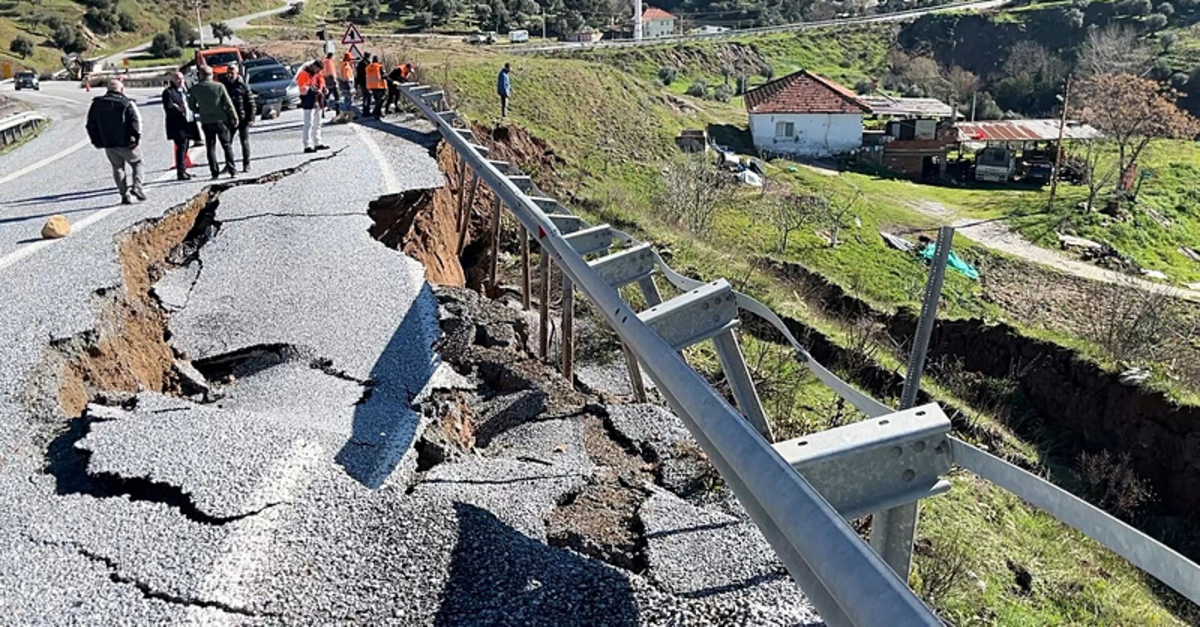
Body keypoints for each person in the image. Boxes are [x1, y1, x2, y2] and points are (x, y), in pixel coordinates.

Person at [86, 79, 145, 205]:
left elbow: (91, 125)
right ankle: (137, 187)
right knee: (138, 163)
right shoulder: (126, 103)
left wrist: (96, 141)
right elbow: (136, 121)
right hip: (127, 143)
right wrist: (136, 138)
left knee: (117, 167)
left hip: (108, 143)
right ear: (121, 90)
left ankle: (124, 195)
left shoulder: (97, 104)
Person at [186, 65, 239, 180]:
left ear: (200, 75)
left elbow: (191, 105)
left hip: (206, 120)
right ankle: (232, 170)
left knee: (211, 147)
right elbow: (228, 104)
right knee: (226, 145)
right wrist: (234, 117)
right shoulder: (219, 86)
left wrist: (199, 111)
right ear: (212, 75)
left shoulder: (195, 89)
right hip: (221, 119)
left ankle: (214, 172)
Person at [220, 65, 255, 173]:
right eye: (228, 73)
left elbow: (251, 103)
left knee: (244, 142)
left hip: (242, 118)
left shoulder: (243, 86)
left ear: (237, 73)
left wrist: (251, 118)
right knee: (227, 143)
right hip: (229, 118)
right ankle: (229, 164)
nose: (230, 75)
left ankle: (246, 164)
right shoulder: (223, 85)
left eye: (232, 73)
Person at [162, 72, 192, 181]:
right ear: (173, 80)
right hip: (177, 125)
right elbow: (169, 107)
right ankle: (181, 172)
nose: (180, 81)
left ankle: (184, 169)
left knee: (186, 147)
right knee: (181, 148)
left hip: (187, 123)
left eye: (182, 78)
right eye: (178, 79)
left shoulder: (184, 90)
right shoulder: (168, 92)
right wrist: (179, 108)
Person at [297, 61, 329, 153]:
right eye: (317, 69)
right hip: (308, 101)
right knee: (308, 123)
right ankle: (307, 145)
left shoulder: (317, 73)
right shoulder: (303, 74)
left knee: (318, 122)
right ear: (313, 66)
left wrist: (322, 88)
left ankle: (317, 142)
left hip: (317, 100)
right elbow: (302, 88)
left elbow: (322, 81)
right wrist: (311, 89)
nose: (317, 71)